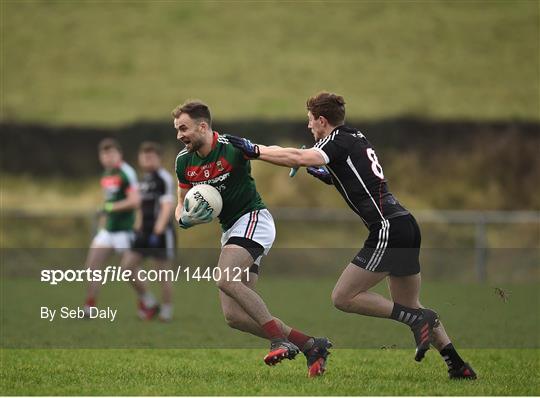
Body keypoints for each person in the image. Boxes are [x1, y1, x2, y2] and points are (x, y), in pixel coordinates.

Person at [226, 92, 477, 380]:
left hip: (387, 229)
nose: (309, 127)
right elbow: (358, 174)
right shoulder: (355, 136)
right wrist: (328, 175)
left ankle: (417, 320)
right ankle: (457, 365)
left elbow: (298, 156)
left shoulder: (336, 140)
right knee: (408, 304)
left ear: (322, 121)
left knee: (344, 297)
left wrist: (254, 149)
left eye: (310, 121)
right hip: (405, 224)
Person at [172, 100, 332, 377]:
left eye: (183, 128)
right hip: (231, 231)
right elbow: (181, 202)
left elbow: (266, 152)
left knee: (225, 278)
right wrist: (182, 218)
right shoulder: (183, 162)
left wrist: (297, 158)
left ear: (203, 126)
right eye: (177, 130)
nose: (179, 135)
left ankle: (278, 340)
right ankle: (311, 345)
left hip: (254, 220)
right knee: (234, 317)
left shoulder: (230, 147)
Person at [84, 138, 140, 316]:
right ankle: (90, 307)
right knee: (92, 266)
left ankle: (146, 301)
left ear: (119, 155)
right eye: (104, 154)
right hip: (108, 230)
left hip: (125, 230)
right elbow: (109, 202)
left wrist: (107, 208)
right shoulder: (106, 174)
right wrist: (103, 220)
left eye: (111, 154)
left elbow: (134, 201)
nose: (108, 158)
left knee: (130, 271)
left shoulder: (126, 172)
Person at [120, 142, 176, 322]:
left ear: (158, 158)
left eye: (151, 157)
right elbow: (140, 207)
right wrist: (137, 227)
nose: (147, 160)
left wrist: (158, 231)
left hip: (160, 233)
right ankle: (150, 301)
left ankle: (166, 310)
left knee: (162, 273)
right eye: (144, 157)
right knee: (127, 267)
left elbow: (167, 205)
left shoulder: (163, 178)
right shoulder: (143, 179)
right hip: (143, 233)